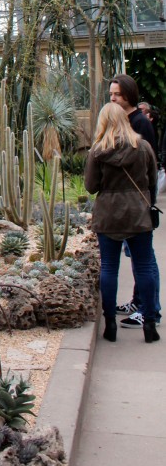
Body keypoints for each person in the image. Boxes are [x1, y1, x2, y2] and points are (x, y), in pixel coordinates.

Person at [85, 102, 159, 343]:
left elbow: (91, 186)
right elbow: (152, 182)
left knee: (109, 268)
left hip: (108, 215)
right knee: (145, 266)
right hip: (138, 215)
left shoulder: (98, 151)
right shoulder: (143, 147)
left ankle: (110, 325)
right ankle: (149, 323)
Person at [109, 75, 161, 327]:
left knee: (145, 259)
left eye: (116, 94)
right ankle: (138, 301)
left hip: (138, 203)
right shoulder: (126, 122)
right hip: (127, 205)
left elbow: (150, 166)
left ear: (128, 94)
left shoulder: (140, 123)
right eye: (111, 94)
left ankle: (151, 309)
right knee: (138, 258)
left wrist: (147, 198)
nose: (112, 98)